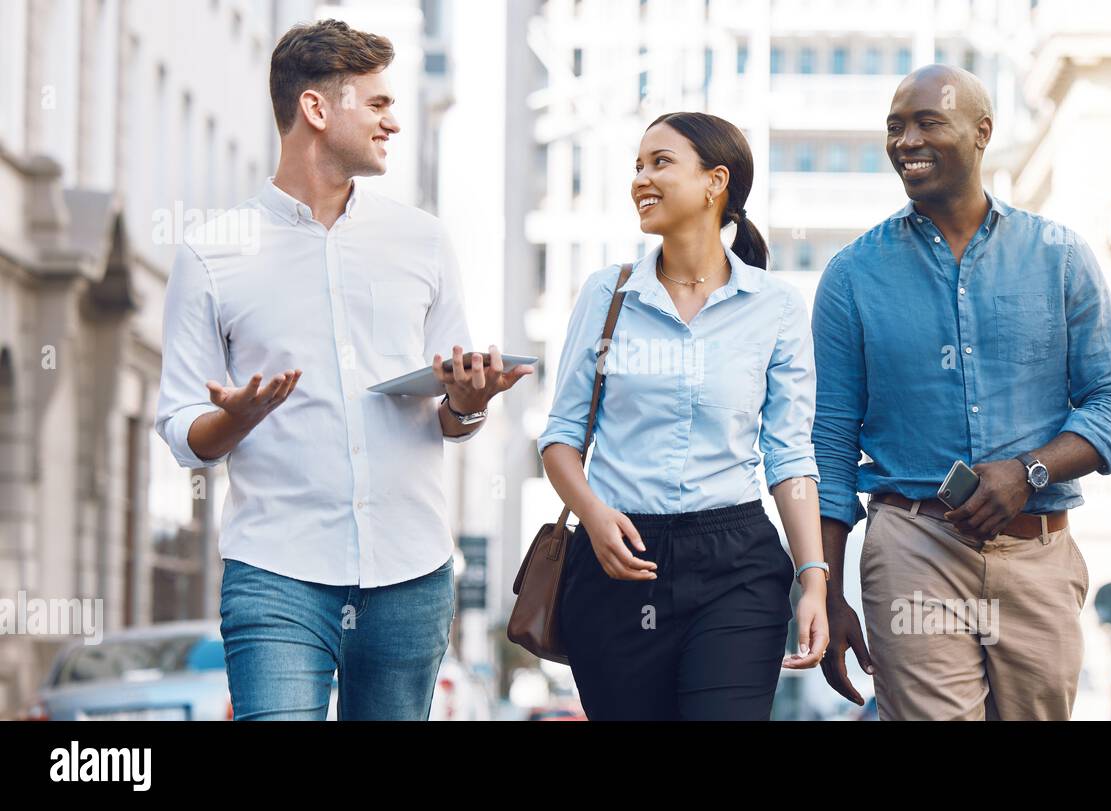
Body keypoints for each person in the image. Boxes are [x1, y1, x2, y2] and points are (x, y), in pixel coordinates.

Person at [154, 19, 530, 720]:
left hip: (410, 571)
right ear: (317, 110)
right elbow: (180, 425)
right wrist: (231, 421)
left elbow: (453, 412)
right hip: (277, 570)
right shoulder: (212, 253)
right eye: (378, 103)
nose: (394, 121)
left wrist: (469, 401)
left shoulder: (423, 241)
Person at [812, 65, 1111, 720]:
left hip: (1039, 548)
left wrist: (1029, 471)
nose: (907, 140)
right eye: (895, 126)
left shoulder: (1060, 257)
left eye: (928, 122)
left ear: (982, 132)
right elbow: (829, 449)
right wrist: (824, 588)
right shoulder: (852, 277)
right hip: (914, 544)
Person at [537, 112, 829, 721]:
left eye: (660, 163)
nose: (641, 178)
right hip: (617, 561)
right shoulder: (607, 295)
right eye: (637, 166)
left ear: (715, 181)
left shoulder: (775, 306)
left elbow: (791, 456)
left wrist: (814, 578)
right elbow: (561, 440)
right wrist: (593, 517)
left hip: (737, 566)